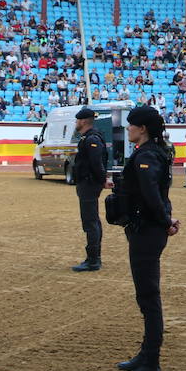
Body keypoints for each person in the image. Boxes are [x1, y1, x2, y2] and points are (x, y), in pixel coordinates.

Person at [114, 105, 180, 371]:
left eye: (131, 125)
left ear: (142, 129)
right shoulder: (150, 152)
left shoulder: (148, 154)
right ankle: (146, 355)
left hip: (147, 231)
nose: (127, 129)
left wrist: (165, 220)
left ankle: (151, 363)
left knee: (148, 296)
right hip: (147, 228)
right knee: (146, 296)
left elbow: (152, 194)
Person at [71, 107, 109, 272]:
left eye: (77, 120)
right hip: (89, 183)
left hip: (88, 184)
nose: (76, 123)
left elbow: (96, 163)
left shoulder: (91, 138)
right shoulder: (90, 137)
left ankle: (93, 260)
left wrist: (102, 180)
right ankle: (94, 257)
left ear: (83, 121)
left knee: (90, 221)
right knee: (92, 220)